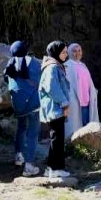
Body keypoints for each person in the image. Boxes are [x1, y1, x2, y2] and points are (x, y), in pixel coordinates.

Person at [5, 41, 42, 177]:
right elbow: (40, 81)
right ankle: (29, 165)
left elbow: (6, 79)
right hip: (33, 104)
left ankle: (18, 156)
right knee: (33, 133)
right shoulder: (34, 63)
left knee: (21, 128)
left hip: (18, 103)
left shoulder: (10, 63)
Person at [39, 40, 72, 178]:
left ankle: (51, 168)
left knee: (56, 138)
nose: (66, 55)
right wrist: (64, 103)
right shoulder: (52, 67)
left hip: (56, 107)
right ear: (56, 52)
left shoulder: (55, 66)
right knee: (57, 139)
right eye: (63, 52)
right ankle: (55, 168)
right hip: (55, 107)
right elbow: (52, 87)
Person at [64, 42, 99, 138]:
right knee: (76, 130)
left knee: (87, 129)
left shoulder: (83, 65)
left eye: (79, 50)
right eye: (74, 51)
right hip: (75, 103)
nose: (77, 53)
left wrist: (94, 93)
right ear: (69, 53)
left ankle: (86, 150)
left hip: (87, 103)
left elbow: (89, 83)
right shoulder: (66, 66)